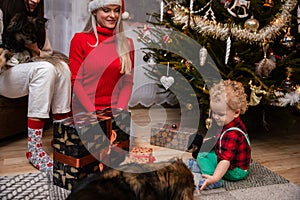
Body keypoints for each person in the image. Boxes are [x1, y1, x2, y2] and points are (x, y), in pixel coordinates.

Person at [0, 0, 71, 172]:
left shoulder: (37, 20)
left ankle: (61, 137)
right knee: (45, 69)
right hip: (4, 74)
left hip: (25, 68)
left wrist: (34, 49)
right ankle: (34, 148)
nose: (35, 1)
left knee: (63, 69)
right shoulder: (1, 12)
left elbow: (47, 52)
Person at [69, 0, 134, 114]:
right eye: (106, 10)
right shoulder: (80, 40)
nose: (113, 15)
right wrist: (96, 115)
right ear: (94, 11)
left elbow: (127, 83)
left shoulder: (127, 43)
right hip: (86, 112)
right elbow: (76, 82)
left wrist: (119, 112)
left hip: (115, 111)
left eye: (117, 10)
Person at [197, 79, 251, 192]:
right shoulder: (232, 121)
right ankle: (205, 166)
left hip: (235, 172)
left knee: (202, 155)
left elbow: (225, 160)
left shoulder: (232, 134)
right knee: (207, 148)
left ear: (236, 112)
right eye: (213, 112)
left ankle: (212, 178)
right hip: (241, 166)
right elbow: (222, 140)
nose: (216, 117)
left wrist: (215, 178)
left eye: (220, 114)